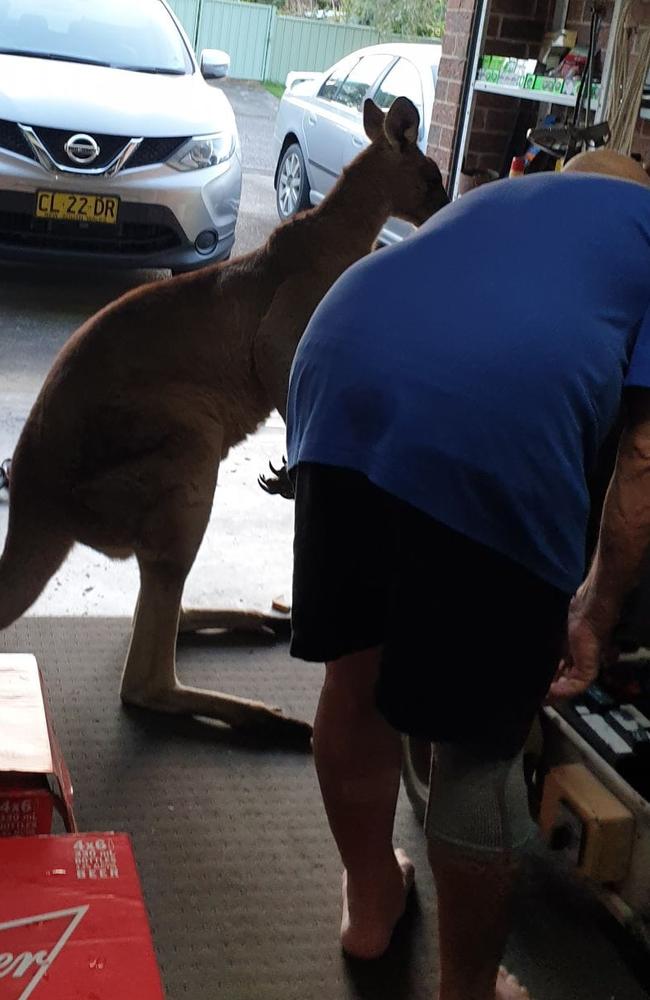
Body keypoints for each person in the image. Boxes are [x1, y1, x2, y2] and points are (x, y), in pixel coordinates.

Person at [284, 148, 650, 1000]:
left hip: (339, 366)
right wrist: (592, 615)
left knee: (358, 672)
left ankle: (371, 906)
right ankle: (468, 992)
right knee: (479, 753)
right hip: (492, 424)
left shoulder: (503, 202)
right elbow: (642, 456)